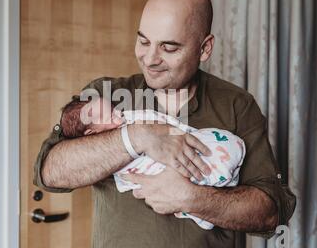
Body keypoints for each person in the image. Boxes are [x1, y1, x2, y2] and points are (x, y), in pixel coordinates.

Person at [34, 0, 296, 248]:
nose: (149, 59)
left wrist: (192, 198)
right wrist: (138, 137)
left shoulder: (237, 105)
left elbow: (270, 212)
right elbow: (50, 172)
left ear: (204, 48)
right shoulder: (105, 97)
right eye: (143, 41)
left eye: (168, 48)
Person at [59, 97, 246, 230]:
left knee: (202, 149)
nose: (117, 113)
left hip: (205, 154)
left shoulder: (132, 117)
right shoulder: (100, 154)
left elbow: (164, 126)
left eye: (113, 109)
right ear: (91, 134)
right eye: (102, 115)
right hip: (175, 173)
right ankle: (217, 171)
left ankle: (220, 165)